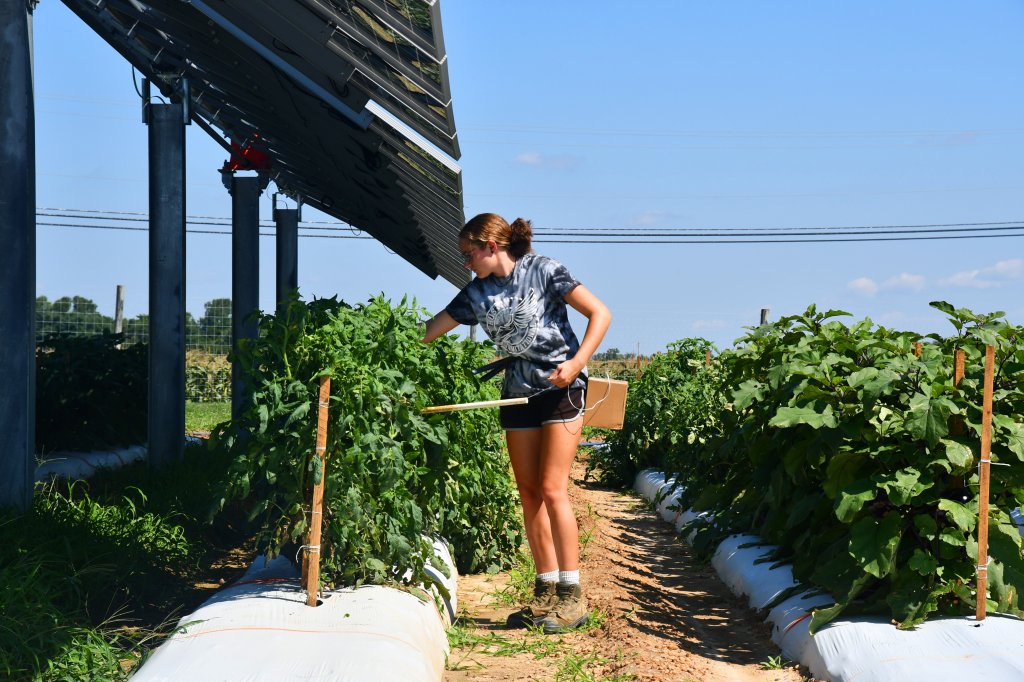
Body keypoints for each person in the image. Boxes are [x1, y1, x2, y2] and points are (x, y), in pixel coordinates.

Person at [422, 212, 612, 633]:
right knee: (528, 493)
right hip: (518, 394)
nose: (466, 264)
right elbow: (431, 329)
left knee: (551, 487)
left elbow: (600, 313)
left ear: (491, 246)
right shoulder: (476, 294)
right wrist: (391, 338)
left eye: (469, 255)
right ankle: (544, 591)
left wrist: (576, 363)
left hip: (561, 390)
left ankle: (572, 595)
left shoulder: (545, 271)